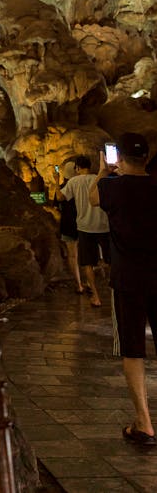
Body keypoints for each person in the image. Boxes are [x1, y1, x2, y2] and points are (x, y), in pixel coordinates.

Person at [91, 132, 157, 447]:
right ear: (146, 157)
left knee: (132, 349)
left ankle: (144, 424)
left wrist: (104, 171)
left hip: (129, 280)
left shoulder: (111, 188)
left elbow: (92, 198)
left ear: (121, 157)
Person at [57, 154, 110, 306]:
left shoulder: (74, 181)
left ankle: (96, 297)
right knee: (111, 260)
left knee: (88, 263)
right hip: (103, 225)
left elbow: (60, 197)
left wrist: (56, 181)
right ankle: (115, 292)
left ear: (77, 168)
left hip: (85, 227)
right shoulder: (99, 178)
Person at [54, 161, 83, 293]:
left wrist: (56, 181)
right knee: (85, 254)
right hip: (83, 224)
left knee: (73, 256)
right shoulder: (81, 186)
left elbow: (57, 206)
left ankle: (79, 285)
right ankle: (88, 280)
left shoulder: (61, 188)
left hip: (68, 225)